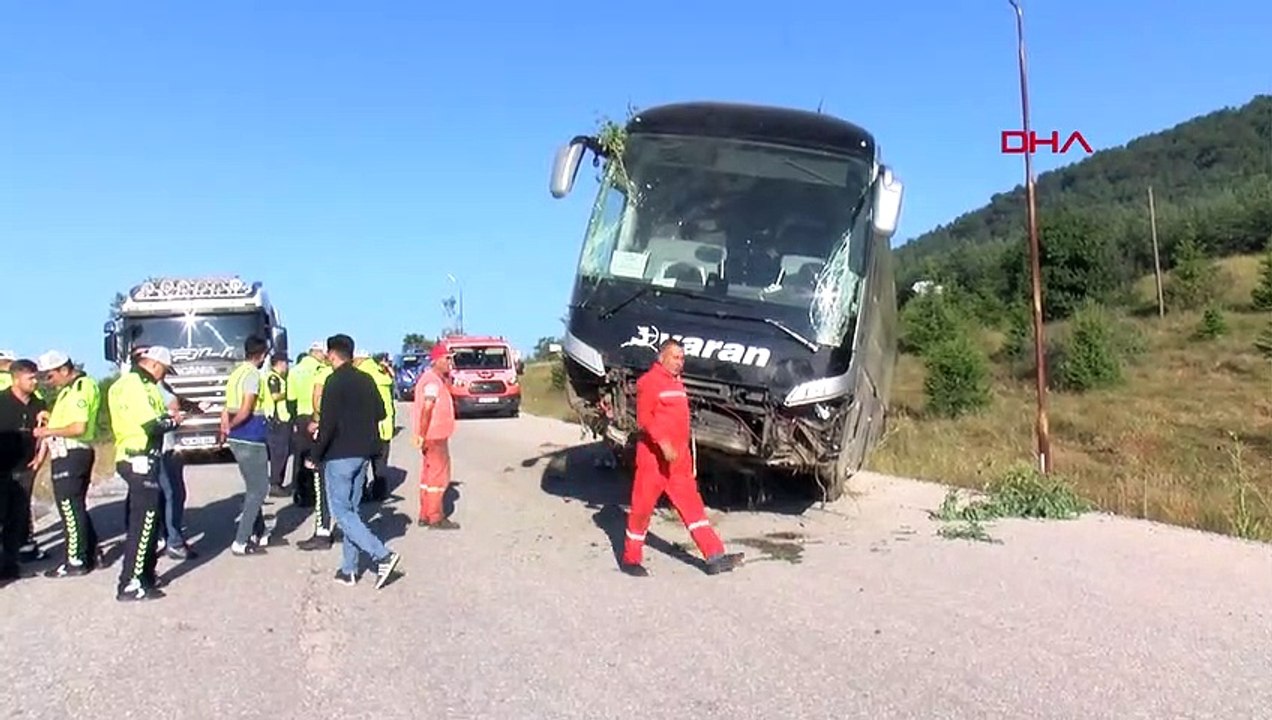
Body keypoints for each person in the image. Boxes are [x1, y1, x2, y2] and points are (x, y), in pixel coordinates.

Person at [621, 339, 744, 577]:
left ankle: (714, 556)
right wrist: (663, 443)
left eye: (682, 358)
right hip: (654, 460)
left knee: (693, 508)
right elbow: (645, 419)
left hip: (678, 461)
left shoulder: (677, 383)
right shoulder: (649, 382)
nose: (680, 362)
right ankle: (630, 559)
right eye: (675, 357)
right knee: (642, 509)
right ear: (661, 357)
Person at [312, 334, 400, 588]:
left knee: (341, 513)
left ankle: (383, 555)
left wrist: (316, 455)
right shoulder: (367, 380)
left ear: (332, 354)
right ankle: (349, 569)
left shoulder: (333, 381)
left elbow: (327, 424)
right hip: (364, 454)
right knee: (353, 512)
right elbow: (382, 412)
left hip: (339, 455)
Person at [107, 345, 184, 601]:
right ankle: (130, 582)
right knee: (144, 524)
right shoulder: (134, 385)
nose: (164, 375)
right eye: (163, 369)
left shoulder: (144, 384)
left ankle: (145, 575)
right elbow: (151, 424)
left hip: (145, 457)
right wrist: (174, 420)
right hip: (136, 456)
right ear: (153, 363)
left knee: (150, 523)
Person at [33, 351, 102, 577]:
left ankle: (75, 559)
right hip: (64, 452)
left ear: (64, 370)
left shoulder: (82, 387)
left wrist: (47, 430)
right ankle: (90, 551)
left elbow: (78, 427)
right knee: (76, 506)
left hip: (72, 452)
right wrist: (50, 417)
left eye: (50, 377)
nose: (47, 382)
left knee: (69, 508)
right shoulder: (67, 391)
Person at [219, 335, 273, 556]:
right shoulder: (252, 375)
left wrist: (224, 428)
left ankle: (258, 532)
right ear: (261, 355)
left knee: (253, 486)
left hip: (237, 438)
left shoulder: (236, 373)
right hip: (250, 437)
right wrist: (233, 425)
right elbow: (246, 408)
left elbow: (225, 407)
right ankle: (241, 540)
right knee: (259, 490)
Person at [0, 359, 49, 586]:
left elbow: (45, 433)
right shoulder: (2, 402)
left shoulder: (38, 403)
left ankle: (10, 566)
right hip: (2, 468)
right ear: (16, 378)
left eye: (35, 377)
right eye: (30, 378)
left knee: (17, 519)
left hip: (25, 468)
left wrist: (40, 457)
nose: (34, 382)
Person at [411, 342, 459, 529]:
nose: (449, 363)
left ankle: (425, 513)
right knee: (439, 478)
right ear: (436, 360)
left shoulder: (433, 379)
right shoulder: (431, 381)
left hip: (431, 435)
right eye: (447, 359)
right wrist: (422, 434)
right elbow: (427, 408)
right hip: (435, 436)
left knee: (428, 476)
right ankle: (435, 516)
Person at [353, 350, 394, 502]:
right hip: (385, 423)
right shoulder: (381, 371)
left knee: (361, 462)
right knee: (380, 461)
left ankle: (362, 492)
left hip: (365, 425)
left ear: (358, 359)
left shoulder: (359, 374)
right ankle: (380, 492)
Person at [264, 353, 292, 498]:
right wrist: (288, 393)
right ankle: (275, 484)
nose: (287, 366)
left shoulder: (279, 378)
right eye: (286, 363)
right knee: (279, 453)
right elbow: (275, 396)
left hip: (282, 419)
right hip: (277, 420)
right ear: (280, 363)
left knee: (283, 452)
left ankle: (277, 483)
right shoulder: (273, 377)